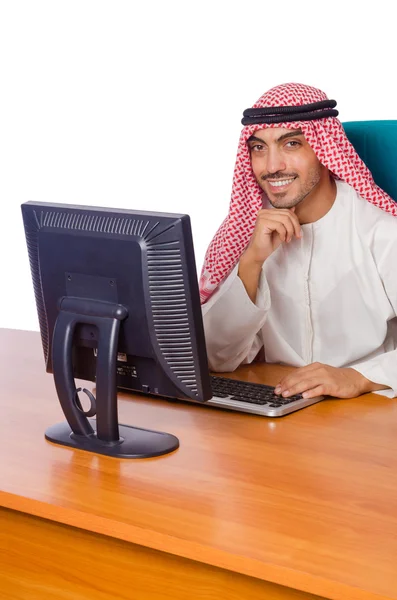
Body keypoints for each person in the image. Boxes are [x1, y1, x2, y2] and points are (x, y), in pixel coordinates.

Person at [200, 83, 397, 400]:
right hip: (282, 410)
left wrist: (359, 377)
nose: (272, 166)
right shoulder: (250, 233)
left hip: (368, 413)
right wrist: (251, 263)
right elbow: (214, 358)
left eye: (290, 144)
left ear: (323, 150)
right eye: (259, 148)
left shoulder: (381, 231)